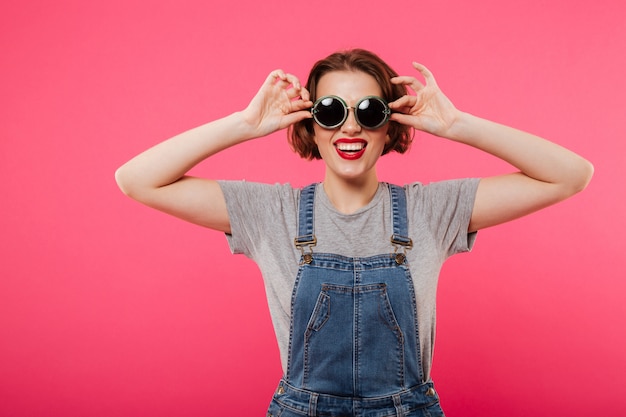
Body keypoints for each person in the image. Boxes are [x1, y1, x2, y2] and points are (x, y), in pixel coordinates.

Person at [115, 49, 593, 416]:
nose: (350, 127)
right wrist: (243, 124)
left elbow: (571, 175)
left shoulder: (431, 210)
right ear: (310, 124)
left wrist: (457, 123)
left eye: (368, 111)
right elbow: (136, 180)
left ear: (390, 124)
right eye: (329, 110)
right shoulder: (271, 212)